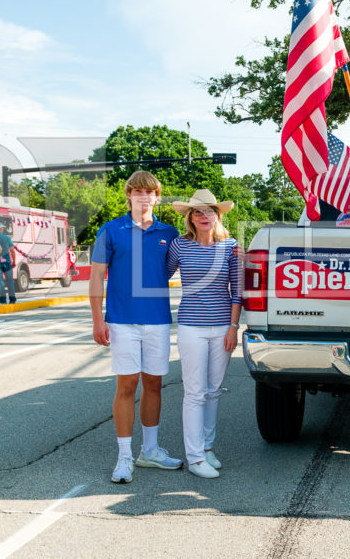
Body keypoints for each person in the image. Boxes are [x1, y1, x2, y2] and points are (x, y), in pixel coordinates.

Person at [90, 170, 182, 484]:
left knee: (154, 385)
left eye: (150, 192)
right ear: (128, 195)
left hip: (157, 319)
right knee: (127, 386)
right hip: (121, 321)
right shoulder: (110, 230)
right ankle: (124, 456)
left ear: (158, 197)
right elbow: (96, 277)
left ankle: (151, 451)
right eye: (138, 191)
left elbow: (184, 263)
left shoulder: (169, 233)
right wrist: (97, 318)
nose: (144, 197)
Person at [166, 189, 242, 479]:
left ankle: (208, 448)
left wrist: (234, 327)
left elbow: (238, 292)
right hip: (191, 327)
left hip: (223, 327)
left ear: (218, 215)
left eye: (209, 211)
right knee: (195, 392)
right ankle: (195, 458)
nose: (204, 216)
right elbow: (159, 275)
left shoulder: (231, 246)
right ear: (190, 218)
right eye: (198, 212)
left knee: (213, 391)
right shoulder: (179, 246)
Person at [0, 223, 18, 304]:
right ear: (1, 229)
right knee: (10, 280)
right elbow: (12, 250)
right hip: (7, 262)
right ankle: (12, 299)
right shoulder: (7, 237)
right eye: (2, 228)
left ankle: (3, 300)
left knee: (0, 281)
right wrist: (14, 261)